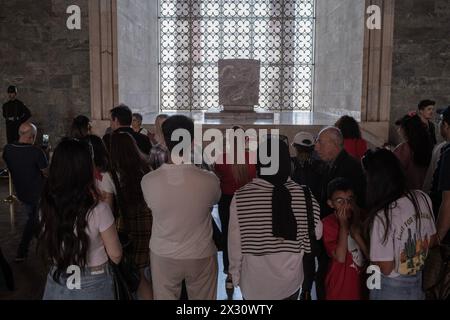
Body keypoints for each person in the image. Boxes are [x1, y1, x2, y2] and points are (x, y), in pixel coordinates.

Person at [228, 136, 323, 300]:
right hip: (290, 283)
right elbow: (318, 232)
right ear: (288, 163)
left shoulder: (241, 196)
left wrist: (234, 275)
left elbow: (235, 243)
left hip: (254, 284)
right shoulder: (304, 195)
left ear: (259, 163)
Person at [141, 115, 221, 300]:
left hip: (164, 253)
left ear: (164, 141)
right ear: (192, 141)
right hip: (200, 253)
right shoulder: (209, 181)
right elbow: (213, 202)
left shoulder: (149, 181)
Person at [40, 139, 122, 300]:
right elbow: (116, 255)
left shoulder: (46, 206)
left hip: (58, 275)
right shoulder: (99, 209)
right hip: (94, 280)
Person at [363, 149, 437, 300]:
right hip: (417, 283)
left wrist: (359, 238)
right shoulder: (421, 198)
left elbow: (385, 268)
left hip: (390, 288)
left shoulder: (383, 215)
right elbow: (433, 239)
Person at [314, 126, 366, 300]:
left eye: (320, 142)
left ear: (334, 143)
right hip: (331, 233)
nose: (316, 147)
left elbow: (355, 206)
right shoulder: (333, 164)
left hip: (343, 239)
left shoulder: (349, 167)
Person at [109, 132, 153, 300]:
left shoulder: (114, 174)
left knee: (130, 273)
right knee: (142, 273)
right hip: (147, 222)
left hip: (126, 228)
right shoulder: (146, 167)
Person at [213, 126, 256, 292]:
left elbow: (217, 175)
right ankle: (247, 270)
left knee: (227, 237)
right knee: (248, 235)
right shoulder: (252, 157)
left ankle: (229, 275)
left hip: (227, 200)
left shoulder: (222, 158)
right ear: (245, 140)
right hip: (248, 200)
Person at [2, 123, 48, 262]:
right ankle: (22, 250)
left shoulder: (8, 149)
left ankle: (42, 243)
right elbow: (46, 172)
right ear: (32, 137)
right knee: (34, 220)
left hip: (21, 191)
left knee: (33, 219)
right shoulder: (36, 152)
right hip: (39, 192)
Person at [290, 131, 324, 300]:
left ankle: (295, 289)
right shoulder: (321, 166)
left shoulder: (290, 166)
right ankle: (306, 291)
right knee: (309, 257)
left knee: (295, 256)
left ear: (295, 148)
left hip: (294, 219)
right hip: (313, 220)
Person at [323, 178, 368, 300]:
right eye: (339, 201)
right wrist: (343, 226)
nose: (346, 205)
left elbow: (371, 254)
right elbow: (341, 257)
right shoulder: (328, 223)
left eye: (350, 200)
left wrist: (357, 222)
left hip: (363, 284)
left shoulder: (364, 216)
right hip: (340, 288)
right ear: (330, 204)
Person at [394, 113, 433, 190]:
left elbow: (393, 171)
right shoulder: (429, 147)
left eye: (401, 127)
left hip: (407, 194)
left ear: (407, 130)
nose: (399, 130)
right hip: (424, 195)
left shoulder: (404, 148)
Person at [424, 107, 450, 212]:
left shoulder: (447, 152)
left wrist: (439, 229)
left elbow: (447, 200)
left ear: (446, 126)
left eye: (440, 121)